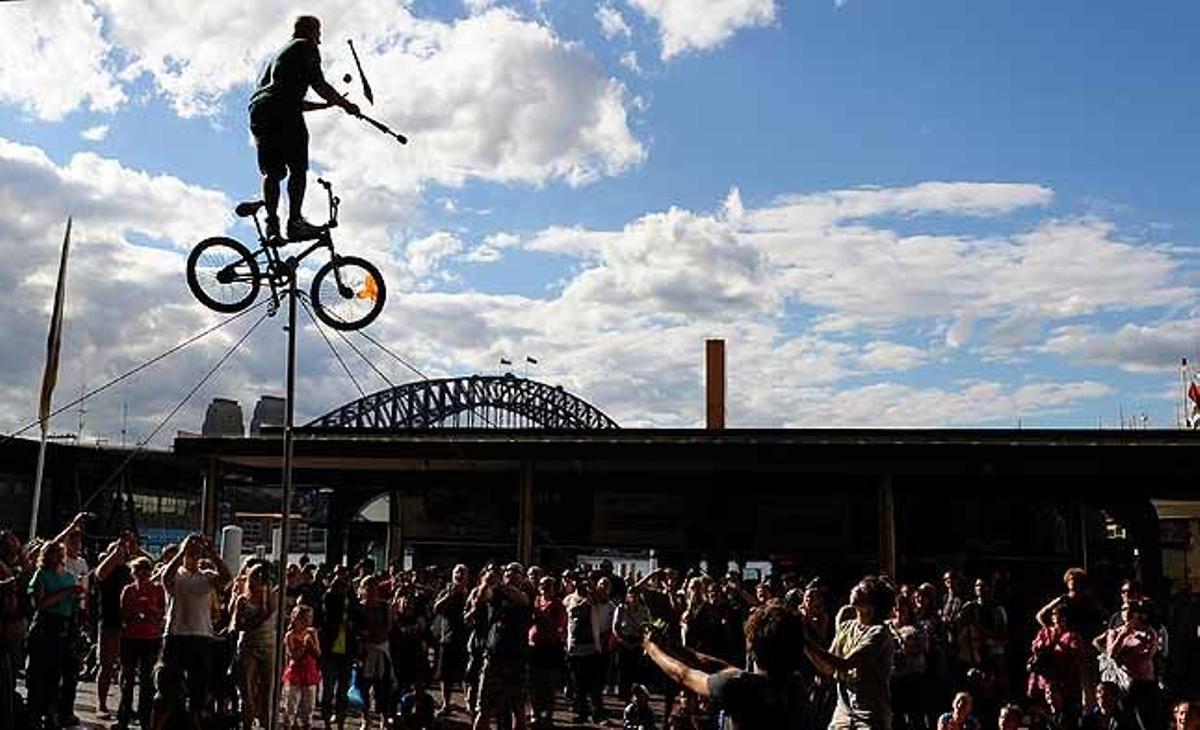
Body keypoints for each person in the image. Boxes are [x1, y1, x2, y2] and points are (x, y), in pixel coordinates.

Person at [248, 14, 360, 242]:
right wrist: (346, 104)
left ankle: (272, 225)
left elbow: (287, 99)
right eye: (319, 34)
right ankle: (295, 223)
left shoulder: (279, 55)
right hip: (283, 110)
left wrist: (325, 106)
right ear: (311, 31)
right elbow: (318, 84)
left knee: (274, 172)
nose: (319, 40)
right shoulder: (305, 46)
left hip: (259, 110)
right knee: (298, 169)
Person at [645, 602, 805, 729]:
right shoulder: (795, 684)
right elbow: (722, 667)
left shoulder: (738, 686)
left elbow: (684, 674)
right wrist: (672, 646)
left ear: (752, 648)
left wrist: (651, 648)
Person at [151, 533, 231, 730]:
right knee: (167, 690)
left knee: (199, 691)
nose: (194, 556)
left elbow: (227, 579)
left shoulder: (207, 577)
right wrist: (182, 550)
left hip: (201, 637)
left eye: (197, 554)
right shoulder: (176, 574)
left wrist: (212, 553)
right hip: (176, 636)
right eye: (191, 553)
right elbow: (165, 578)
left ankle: (194, 723)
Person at [805, 576, 896, 730]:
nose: (855, 589)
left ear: (873, 604)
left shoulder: (879, 633)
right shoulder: (846, 627)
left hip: (869, 716)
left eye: (862, 589)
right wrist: (804, 646)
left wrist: (806, 641)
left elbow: (846, 664)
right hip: (843, 714)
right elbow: (828, 668)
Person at [26, 540, 84, 729]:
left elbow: (73, 603)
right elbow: (39, 603)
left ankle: (56, 711)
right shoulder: (41, 575)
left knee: (61, 671)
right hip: (45, 624)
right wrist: (66, 592)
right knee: (39, 670)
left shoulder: (69, 576)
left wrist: (76, 599)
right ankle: (36, 711)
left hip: (65, 625)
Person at [472, 562, 532, 730]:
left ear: (522, 577)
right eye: (507, 572)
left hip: (516, 659)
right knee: (484, 708)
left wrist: (499, 584)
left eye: (515, 572)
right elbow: (481, 598)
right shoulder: (495, 592)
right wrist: (486, 582)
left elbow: (520, 598)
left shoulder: (526, 593)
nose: (510, 575)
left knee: (518, 709)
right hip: (494, 657)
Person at [1093, 601, 1159, 730]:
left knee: (1147, 720)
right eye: (1124, 609)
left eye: (1131, 610)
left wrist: (1123, 654)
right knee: (1127, 719)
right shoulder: (1114, 632)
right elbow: (1111, 654)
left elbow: (1149, 654)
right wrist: (1123, 635)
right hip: (1126, 683)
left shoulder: (1148, 632)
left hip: (1145, 682)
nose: (1127, 612)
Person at [116, 556, 165, 730]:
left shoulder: (158, 590)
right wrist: (134, 611)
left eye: (146, 570)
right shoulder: (128, 590)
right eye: (139, 570)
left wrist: (150, 610)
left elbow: (162, 614)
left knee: (147, 682)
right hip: (130, 638)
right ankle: (123, 717)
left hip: (150, 638)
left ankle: (146, 719)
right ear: (133, 572)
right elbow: (122, 615)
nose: (143, 574)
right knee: (127, 680)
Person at [233, 562, 278, 730]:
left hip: (268, 645)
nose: (260, 580)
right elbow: (238, 626)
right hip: (248, 645)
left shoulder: (271, 596)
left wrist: (266, 593)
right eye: (256, 576)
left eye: (263, 577)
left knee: (267, 690)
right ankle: (246, 723)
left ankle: (266, 722)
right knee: (247, 690)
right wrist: (251, 622)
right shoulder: (242, 599)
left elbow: (268, 613)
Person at [320, 563, 360, 730]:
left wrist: (349, 593)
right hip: (331, 648)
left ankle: (341, 721)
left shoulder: (352, 599)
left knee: (342, 690)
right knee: (328, 688)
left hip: (347, 649)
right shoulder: (330, 597)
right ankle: (327, 720)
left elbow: (356, 616)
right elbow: (328, 613)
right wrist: (337, 590)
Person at [433, 563, 470, 717]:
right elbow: (436, 608)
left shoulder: (471, 592)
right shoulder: (445, 591)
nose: (459, 575)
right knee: (445, 675)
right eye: (457, 572)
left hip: (466, 638)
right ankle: (446, 703)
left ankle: (469, 702)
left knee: (466, 674)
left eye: (462, 573)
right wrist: (450, 595)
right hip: (447, 637)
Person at [282, 604, 322, 730]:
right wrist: (304, 645)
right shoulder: (290, 635)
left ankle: (307, 724)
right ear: (295, 619)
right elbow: (293, 656)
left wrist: (311, 643)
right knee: (291, 703)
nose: (306, 622)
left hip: (309, 671)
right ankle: (289, 724)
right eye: (303, 619)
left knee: (309, 704)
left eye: (309, 619)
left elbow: (318, 653)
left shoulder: (312, 632)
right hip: (295, 672)